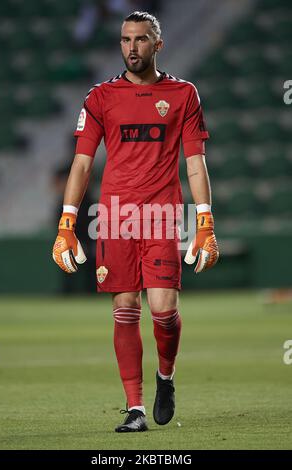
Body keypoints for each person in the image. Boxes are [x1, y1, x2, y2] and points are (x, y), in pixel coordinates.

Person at [52, 11, 219, 433]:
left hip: (162, 213)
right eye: (126, 39)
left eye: (141, 39)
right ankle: (135, 408)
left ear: (157, 45)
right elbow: (82, 163)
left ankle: (166, 377)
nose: (132, 47)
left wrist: (205, 222)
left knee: (164, 311)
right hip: (115, 217)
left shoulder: (183, 94)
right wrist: (66, 224)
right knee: (125, 308)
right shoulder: (100, 97)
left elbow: (195, 163)